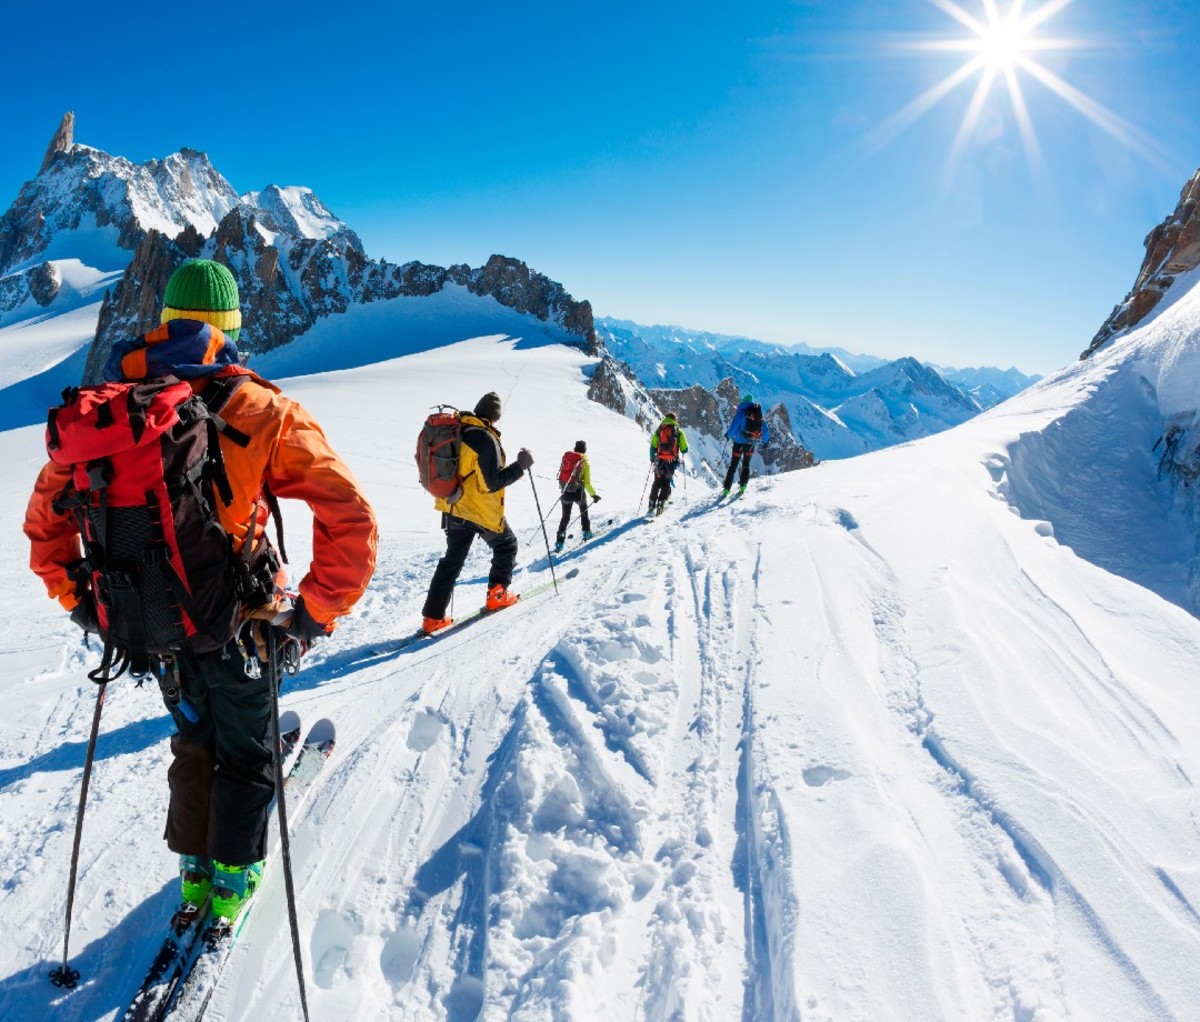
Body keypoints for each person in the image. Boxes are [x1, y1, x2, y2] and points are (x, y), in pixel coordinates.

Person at [24, 259, 378, 925]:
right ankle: (231, 880)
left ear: (163, 324)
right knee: (247, 749)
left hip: (152, 625)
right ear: (231, 327)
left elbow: (46, 525)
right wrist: (309, 617)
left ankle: (193, 871)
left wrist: (87, 608)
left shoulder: (105, 417)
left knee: (193, 739)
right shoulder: (259, 409)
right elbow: (349, 517)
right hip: (244, 624)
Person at [421, 391, 533, 634]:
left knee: (452, 561)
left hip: (453, 507)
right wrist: (521, 466)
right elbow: (493, 482)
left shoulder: (459, 430)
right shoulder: (485, 438)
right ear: (495, 417)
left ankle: (432, 619)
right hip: (478, 511)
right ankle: (497, 596)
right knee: (507, 546)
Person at [554, 440, 600, 552]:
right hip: (579, 493)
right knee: (584, 512)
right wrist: (594, 495)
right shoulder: (584, 462)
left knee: (565, 517)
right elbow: (587, 483)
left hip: (565, 492)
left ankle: (559, 543)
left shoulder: (567, 458)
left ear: (575, 448)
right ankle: (586, 533)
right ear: (585, 450)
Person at [722, 393, 770, 495]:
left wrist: (728, 435)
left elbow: (734, 425)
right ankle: (743, 487)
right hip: (751, 443)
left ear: (743, 401)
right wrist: (766, 441)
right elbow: (765, 429)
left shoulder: (741, 412)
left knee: (733, 465)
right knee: (746, 465)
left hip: (738, 443)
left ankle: (726, 490)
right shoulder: (757, 413)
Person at [647, 412, 688, 515]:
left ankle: (652, 503)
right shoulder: (679, 432)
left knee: (657, 482)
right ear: (675, 419)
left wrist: (652, 458)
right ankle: (661, 503)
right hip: (671, 461)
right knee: (666, 482)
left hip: (660, 460)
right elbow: (685, 449)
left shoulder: (660, 430)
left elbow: (653, 446)